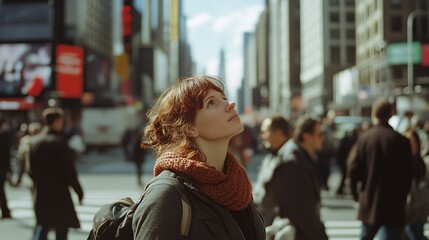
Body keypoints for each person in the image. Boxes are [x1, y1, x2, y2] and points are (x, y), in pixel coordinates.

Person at [132, 76, 266, 239]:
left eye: (224, 98)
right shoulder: (166, 195)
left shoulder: (238, 185)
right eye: (211, 103)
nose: (230, 104)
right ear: (190, 128)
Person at [253, 115, 328, 240]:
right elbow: (301, 211)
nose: (323, 138)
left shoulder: (290, 157)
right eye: (320, 134)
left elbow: (300, 209)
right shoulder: (289, 159)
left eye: (265, 132)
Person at [349, 98, 413, 240]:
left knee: (366, 236)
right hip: (394, 203)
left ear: (374, 114)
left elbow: (353, 168)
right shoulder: (401, 141)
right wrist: (403, 195)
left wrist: (356, 193)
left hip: (370, 200)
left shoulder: (365, 139)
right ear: (391, 115)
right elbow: (409, 173)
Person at [29, 107, 84, 240]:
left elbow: (30, 170)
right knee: (61, 229)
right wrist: (78, 191)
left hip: (41, 192)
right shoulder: (60, 143)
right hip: (59, 194)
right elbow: (69, 171)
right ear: (57, 121)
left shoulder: (35, 142)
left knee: (43, 226)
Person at [404, 128, 428, 240]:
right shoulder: (401, 161)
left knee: (415, 234)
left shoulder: (423, 162)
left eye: (413, 141)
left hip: (420, 208)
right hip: (404, 208)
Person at [0, 119, 12, 219]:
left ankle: (5, 211)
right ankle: (5, 210)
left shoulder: (4, 136)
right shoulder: (4, 136)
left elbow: (6, 154)